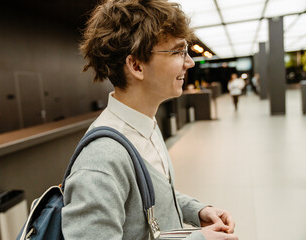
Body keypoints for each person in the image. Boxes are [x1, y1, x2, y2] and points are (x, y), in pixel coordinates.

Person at [61, 0, 238, 239]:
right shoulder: (101, 161)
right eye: (177, 51)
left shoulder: (146, 125)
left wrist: (197, 210)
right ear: (136, 65)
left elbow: (153, 196)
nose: (190, 62)